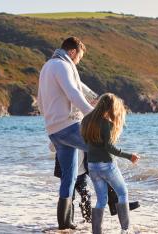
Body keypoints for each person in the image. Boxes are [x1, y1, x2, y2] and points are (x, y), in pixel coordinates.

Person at [37, 36, 95, 230]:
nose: (78, 61)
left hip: (54, 129)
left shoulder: (47, 67)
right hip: (67, 126)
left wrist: (49, 127)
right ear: (72, 52)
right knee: (101, 147)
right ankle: (115, 199)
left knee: (69, 177)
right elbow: (73, 93)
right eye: (79, 58)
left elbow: (40, 101)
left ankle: (65, 223)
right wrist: (92, 114)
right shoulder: (63, 66)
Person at [81, 93, 140, 234]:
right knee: (123, 193)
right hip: (106, 164)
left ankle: (96, 232)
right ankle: (125, 230)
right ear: (112, 107)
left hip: (92, 165)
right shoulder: (106, 124)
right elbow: (109, 148)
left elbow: (85, 142)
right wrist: (129, 156)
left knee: (101, 200)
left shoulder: (86, 120)